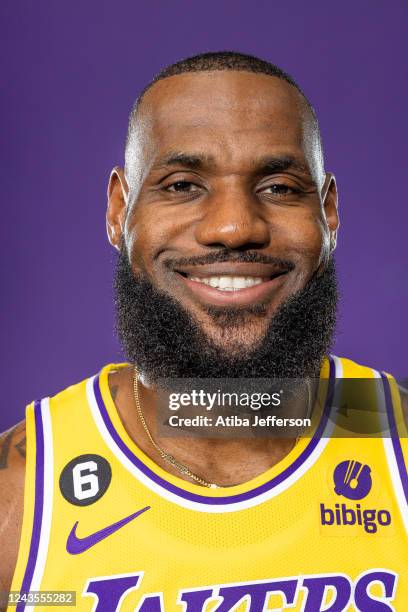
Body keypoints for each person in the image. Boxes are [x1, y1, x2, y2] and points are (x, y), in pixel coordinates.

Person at [0, 51, 406, 611]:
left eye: (281, 187)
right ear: (120, 211)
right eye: (184, 184)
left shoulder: (399, 448)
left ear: (329, 213)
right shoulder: (19, 494)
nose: (234, 226)